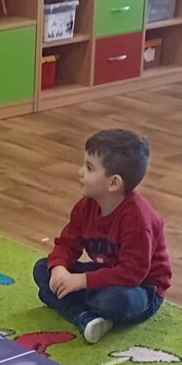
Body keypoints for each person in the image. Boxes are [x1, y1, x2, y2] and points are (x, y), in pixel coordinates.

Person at [35, 129, 171, 346]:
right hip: (106, 274)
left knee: (113, 299)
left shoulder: (138, 221)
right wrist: (59, 269)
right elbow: (67, 244)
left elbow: (131, 274)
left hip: (142, 289)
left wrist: (80, 281)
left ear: (114, 183)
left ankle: (79, 310)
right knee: (42, 269)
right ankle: (87, 316)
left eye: (89, 168)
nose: (80, 172)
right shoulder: (85, 207)